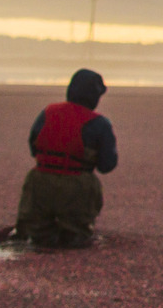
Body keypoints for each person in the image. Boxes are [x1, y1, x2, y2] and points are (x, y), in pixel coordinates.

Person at [15, 68, 118, 248]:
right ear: (95, 97)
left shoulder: (48, 112)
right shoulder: (100, 124)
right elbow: (107, 165)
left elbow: (33, 146)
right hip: (78, 187)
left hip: (39, 182)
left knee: (34, 235)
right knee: (76, 239)